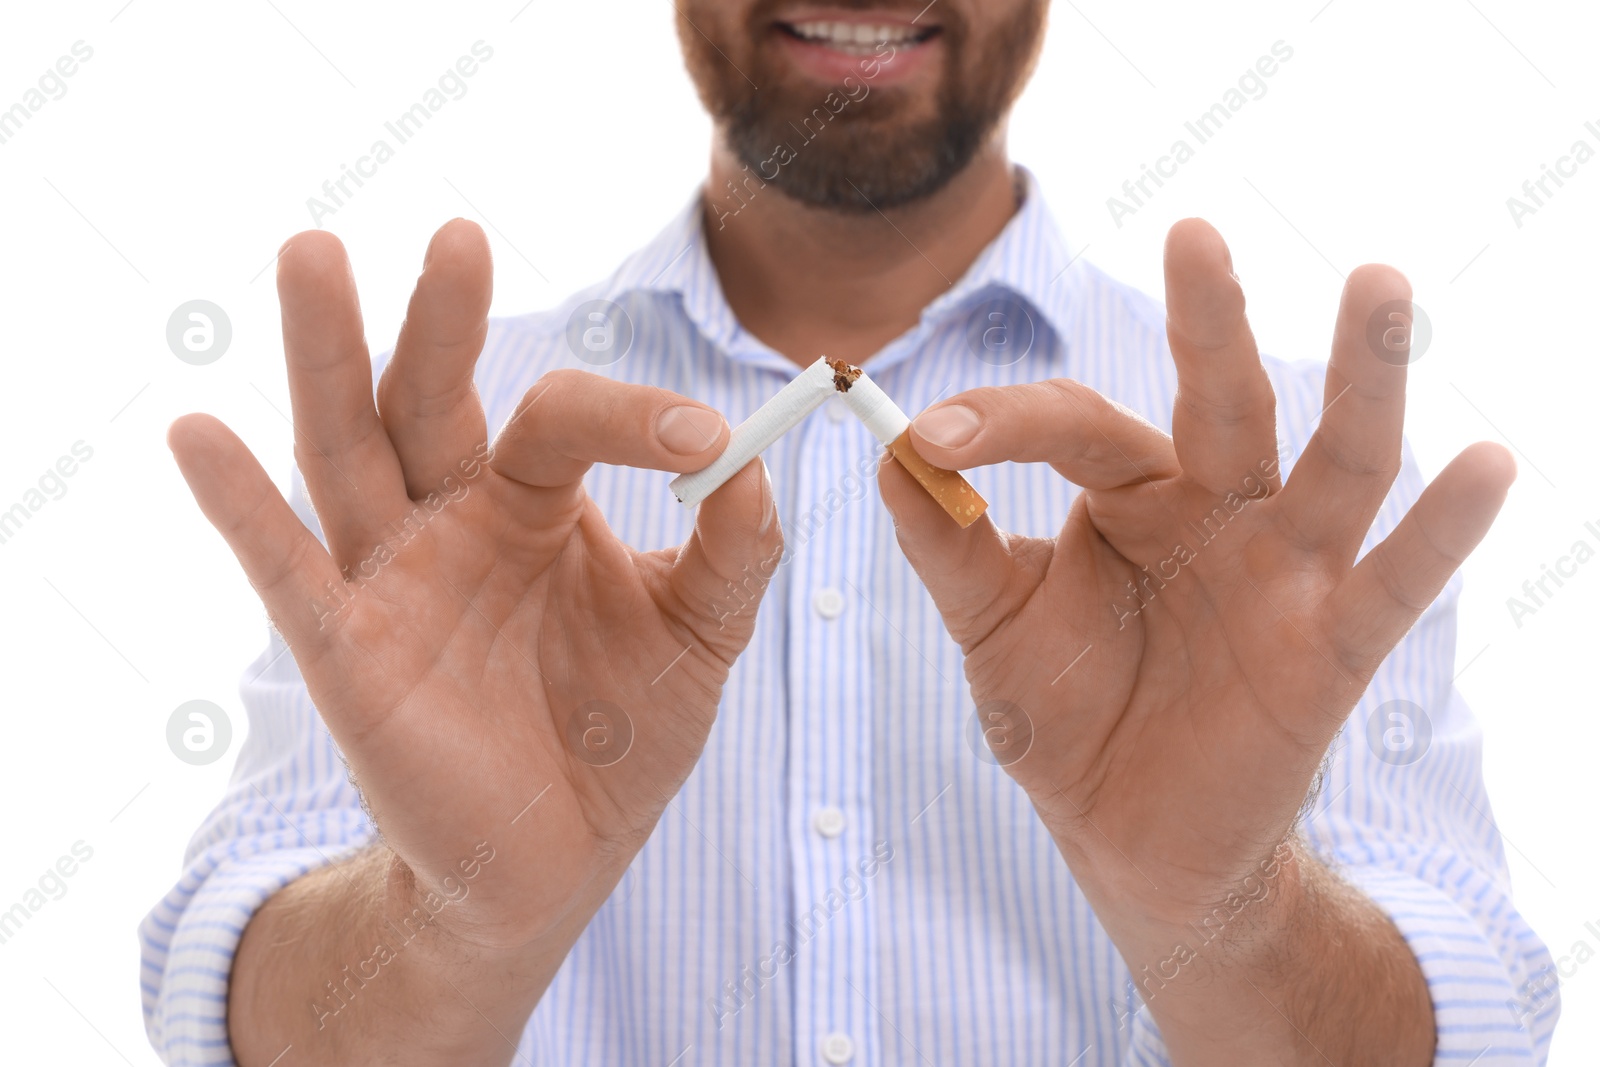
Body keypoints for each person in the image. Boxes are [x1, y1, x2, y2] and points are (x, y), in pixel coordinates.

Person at [140, 3, 1558, 1064]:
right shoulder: (456, 455)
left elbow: (1468, 999)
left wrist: (1231, 910)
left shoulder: (1277, 487)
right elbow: (239, 974)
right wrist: (450, 921)